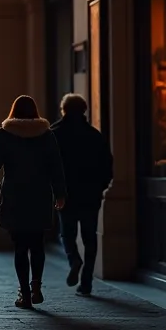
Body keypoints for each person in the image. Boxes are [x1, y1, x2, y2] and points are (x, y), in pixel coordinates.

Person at [0, 95, 66, 309]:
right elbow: (56, 167)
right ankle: (36, 286)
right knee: (37, 244)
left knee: (20, 247)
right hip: (40, 195)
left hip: (15, 196)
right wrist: (60, 194)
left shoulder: (5, 133)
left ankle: (24, 294)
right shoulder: (46, 134)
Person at [51, 93, 113, 296]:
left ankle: (73, 259)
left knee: (66, 234)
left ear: (64, 110)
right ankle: (86, 282)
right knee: (90, 238)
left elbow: (48, 165)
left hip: (66, 194)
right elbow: (107, 165)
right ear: (84, 110)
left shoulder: (55, 134)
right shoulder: (95, 135)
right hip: (90, 194)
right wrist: (100, 186)